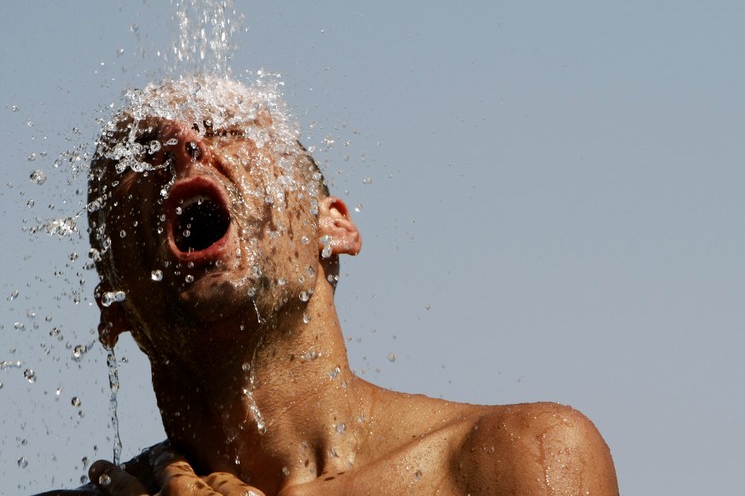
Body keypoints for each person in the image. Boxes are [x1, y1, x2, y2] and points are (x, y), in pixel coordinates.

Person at [40, 75, 618, 495]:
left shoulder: (517, 460)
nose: (186, 146)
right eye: (140, 152)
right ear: (113, 302)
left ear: (331, 226)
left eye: (229, 128)